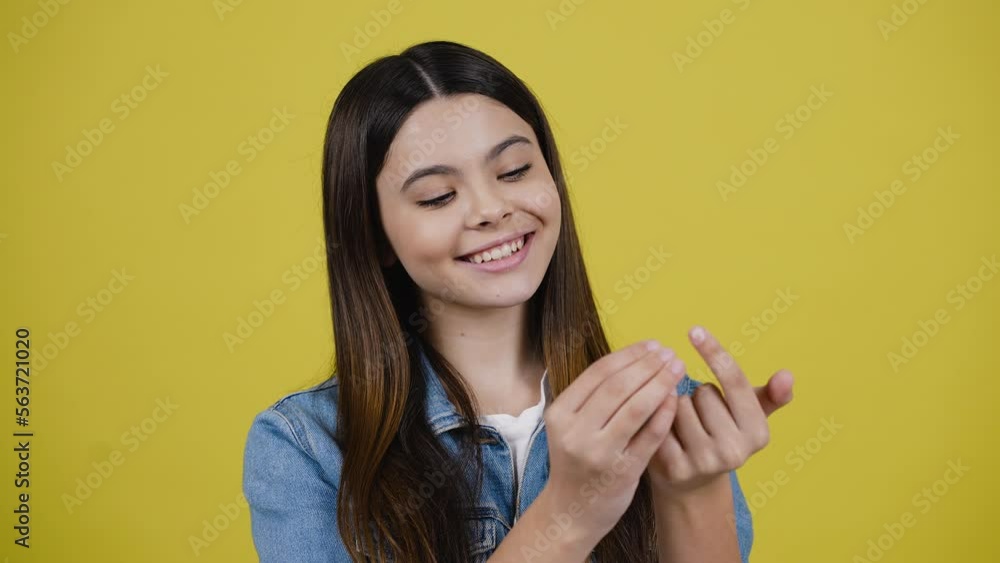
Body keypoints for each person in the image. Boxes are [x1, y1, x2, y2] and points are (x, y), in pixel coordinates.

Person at [242, 39, 794, 563]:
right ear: (376, 236)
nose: (490, 209)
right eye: (438, 196)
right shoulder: (305, 447)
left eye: (514, 171)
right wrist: (570, 511)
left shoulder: (666, 415)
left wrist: (693, 489)